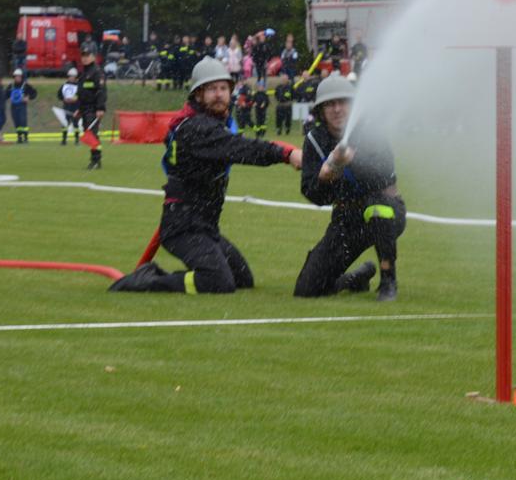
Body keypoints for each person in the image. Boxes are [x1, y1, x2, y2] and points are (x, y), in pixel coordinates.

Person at [107, 57, 302, 294]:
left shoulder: (212, 124)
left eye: (223, 88)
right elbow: (242, 149)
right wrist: (286, 154)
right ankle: (149, 282)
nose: (219, 94)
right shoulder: (197, 128)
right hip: (183, 228)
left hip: (205, 227)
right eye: (211, 89)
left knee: (242, 279)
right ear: (198, 95)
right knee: (218, 282)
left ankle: (162, 276)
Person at [296, 74, 406, 301]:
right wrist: (326, 178)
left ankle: (388, 280)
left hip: (386, 211)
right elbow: (312, 193)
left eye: (343, 102)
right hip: (347, 218)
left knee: (378, 208)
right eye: (330, 104)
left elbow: (384, 178)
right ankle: (355, 278)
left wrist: (352, 162)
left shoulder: (372, 134)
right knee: (307, 289)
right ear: (321, 111)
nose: (337, 109)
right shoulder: (315, 141)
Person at [79, 48, 106, 170]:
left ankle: (96, 160)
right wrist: (79, 109)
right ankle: (95, 159)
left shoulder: (97, 72)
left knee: (92, 134)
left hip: (93, 108)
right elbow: (82, 93)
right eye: (83, 55)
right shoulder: (84, 73)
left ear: (93, 57)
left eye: (87, 55)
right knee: (90, 134)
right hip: (85, 109)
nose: (84, 58)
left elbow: (101, 91)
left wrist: (100, 108)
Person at [6, 69, 38, 143]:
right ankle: (19, 137)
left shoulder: (26, 85)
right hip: (13, 106)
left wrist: (28, 98)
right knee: (16, 121)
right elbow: (5, 94)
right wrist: (8, 98)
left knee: (23, 121)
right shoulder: (11, 86)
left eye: (19, 76)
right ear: (14, 77)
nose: (17, 78)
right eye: (16, 77)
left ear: (21, 77)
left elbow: (34, 93)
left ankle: (26, 137)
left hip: (22, 106)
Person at [59, 67, 82, 145]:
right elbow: (59, 95)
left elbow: (82, 96)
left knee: (76, 124)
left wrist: (76, 101)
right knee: (65, 123)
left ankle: (77, 140)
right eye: (70, 76)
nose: (71, 78)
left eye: (73, 76)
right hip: (66, 106)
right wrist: (63, 99)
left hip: (75, 107)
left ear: (75, 77)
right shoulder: (64, 85)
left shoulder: (79, 86)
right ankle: (64, 139)